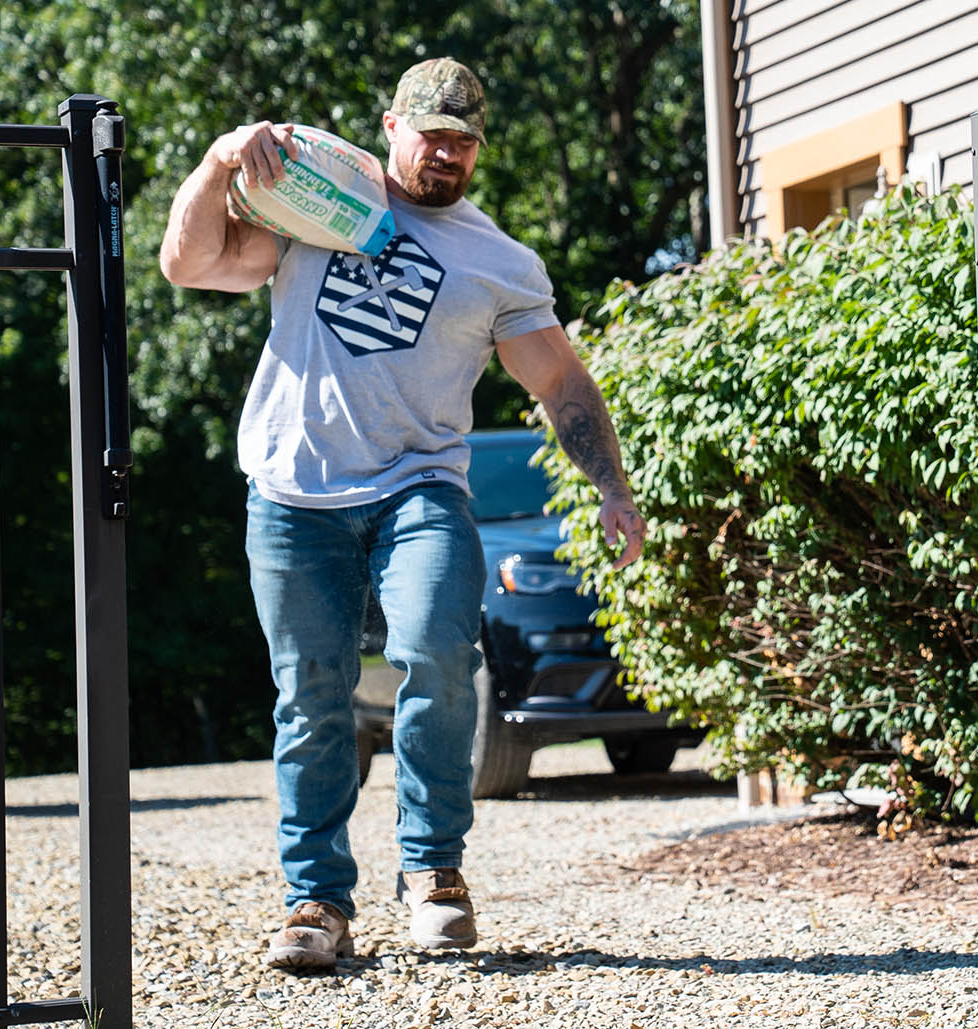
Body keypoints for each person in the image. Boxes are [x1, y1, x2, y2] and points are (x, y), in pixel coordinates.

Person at [157, 57, 646, 971]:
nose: (448, 155)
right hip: (294, 490)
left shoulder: (499, 261)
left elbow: (560, 381)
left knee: (437, 656)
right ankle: (315, 900)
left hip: (420, 487)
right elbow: (187, 262)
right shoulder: (316, 205)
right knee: (311, 698)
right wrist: (221, 163)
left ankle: (433, 873)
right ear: (390, 127)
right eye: (433, 136)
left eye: (465, 142)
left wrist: (611, 486)